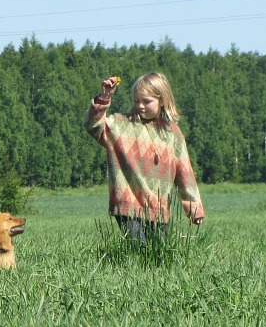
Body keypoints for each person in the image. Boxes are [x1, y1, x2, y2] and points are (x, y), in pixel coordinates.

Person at [84, 72, 204, 243]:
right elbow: (92, 125)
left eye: (146, 101)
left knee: (158, 255)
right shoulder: (120, 125)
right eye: (136, 101)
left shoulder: (173, 133)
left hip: (159, 208)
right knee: (139, 249)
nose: (140, 106)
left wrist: (194, 208)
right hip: (127, 204)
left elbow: (185, 173)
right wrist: (104, 98)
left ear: (162, 100)